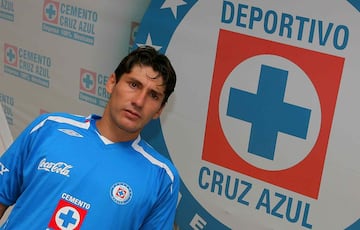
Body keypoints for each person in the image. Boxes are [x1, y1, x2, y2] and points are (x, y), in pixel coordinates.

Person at [0, 45, 179, 229]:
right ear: (112, 83)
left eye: (153, 95)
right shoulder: (49, 127)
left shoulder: (162, 177)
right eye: (134, 85)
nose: (139, 101)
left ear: (159, 110)